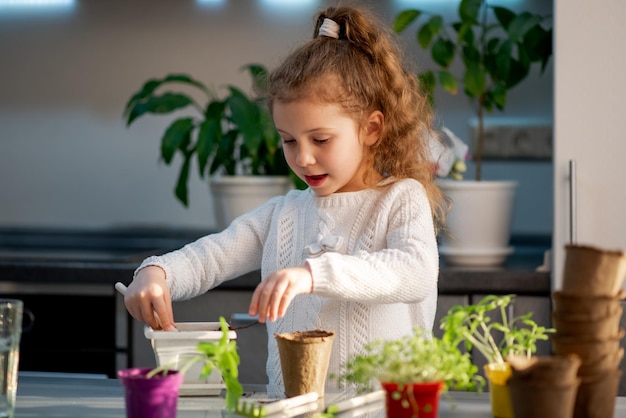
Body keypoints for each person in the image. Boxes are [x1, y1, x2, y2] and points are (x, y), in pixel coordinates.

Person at [122, 5, 446, 393]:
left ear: (371, 129)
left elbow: (415, 271)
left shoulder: (400, 198)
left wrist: (313, 274)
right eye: (289, 140)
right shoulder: (285, 213)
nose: (303, 157)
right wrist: (156, 274)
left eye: (321, 139)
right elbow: (210, 257)